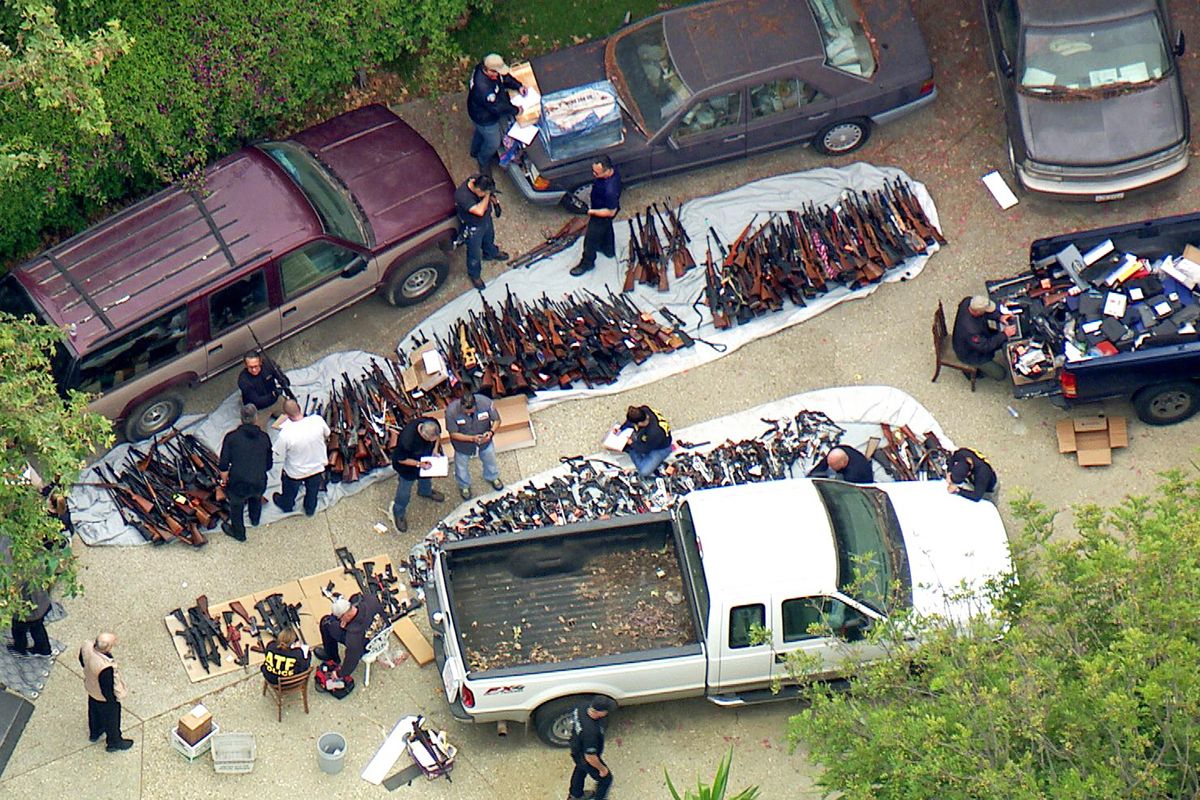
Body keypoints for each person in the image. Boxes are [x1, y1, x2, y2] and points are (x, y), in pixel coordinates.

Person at [217, 404, 273, 541]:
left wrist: (224, 482)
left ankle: (239, 533)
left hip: (238, 482)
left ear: (241, 418)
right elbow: (269, 465)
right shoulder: (264, 437)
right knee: (256, 498)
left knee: (236, 507)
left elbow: (223, 465)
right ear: (256, 418)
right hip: (259, 480)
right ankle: (255, 519)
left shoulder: (231, 438)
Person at [467, 53, 525, 176]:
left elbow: (504, 78)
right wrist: (515, 110)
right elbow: (497, 108)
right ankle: (483, 160)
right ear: (488, 71)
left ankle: (475, 150)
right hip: (485, 117)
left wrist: (518, 86)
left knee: (480, 133)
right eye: (496, 72)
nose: (499, 74)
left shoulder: (485, 70)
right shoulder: (484, 89)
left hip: (478, 111)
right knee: (493, 142)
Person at [272, 398, 330, 517]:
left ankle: (287, 505)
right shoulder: (317, 420)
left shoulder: (285, 434)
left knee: (289, 492)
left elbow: (278, 452)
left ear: (287, 415)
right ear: (299, 408)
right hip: (317, 466)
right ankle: (310, 509)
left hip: (295, 472)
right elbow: (327, 433)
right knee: (312, 491)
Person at [445, 391, 505, 500]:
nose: (468, 413)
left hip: (485, 442)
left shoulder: (486, 403)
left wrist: (491, 432)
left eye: (471, 411)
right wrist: (472, 439)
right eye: (465, 411)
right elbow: (453, 434)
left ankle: (492, 477)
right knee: (461, 467)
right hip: (463, 446)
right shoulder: (451, 412)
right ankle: (464, 486)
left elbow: (497, 420)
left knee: (490, 460)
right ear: (461, 405)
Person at [316, 594, 384, 688]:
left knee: (326, 622)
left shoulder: (353, 637)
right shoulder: (371, 600)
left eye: (340, 618)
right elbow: (359, 598)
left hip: (366, 645)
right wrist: (347, 622)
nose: (340, 620)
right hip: (381, 634)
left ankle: (332, 656)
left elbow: (352, 660)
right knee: (354, 597)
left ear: (346, 615)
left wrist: (339, 674)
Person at [79, 632, 133, 751]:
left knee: (94, 712)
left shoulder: (86, 647)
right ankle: (114, 742)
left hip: (91, 689)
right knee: (112, 720)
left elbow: (81, 660)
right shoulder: (104, 667)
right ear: (107, 648)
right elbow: (107, 689)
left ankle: (95, 732)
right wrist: (113, 701)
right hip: (103, 697)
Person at [455, 174, 510, 290]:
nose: (486, 195)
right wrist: (487, 195)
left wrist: (496, 204)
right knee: (474, 253)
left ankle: (491, 253)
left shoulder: (479, 179)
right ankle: (474, 275)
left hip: (486, 220)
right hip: (472, 226)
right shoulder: (462, 195)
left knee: (489, 238)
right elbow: (479, 211)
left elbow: (491, 194)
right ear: (478, 189)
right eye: (484, 193)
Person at [570, 156, 622, 277]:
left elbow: (611, 213)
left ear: (607, 170)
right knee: (607, 228)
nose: (593, 174)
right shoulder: (612, 173)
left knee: (590, 240)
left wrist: (590, 212)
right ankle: (608, 250)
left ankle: (587, 262)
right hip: (601, 207)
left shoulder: (610, 190)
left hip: (602, 213)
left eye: (597, 173)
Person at [390, 417, 445, 532]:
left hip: (425, 461)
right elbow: (401, 459)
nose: (432, 441)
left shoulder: (432, 425)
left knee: (426, 479)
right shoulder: (407, 440)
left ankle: (425, 492)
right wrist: (419, 464)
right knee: (404, 492)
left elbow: (437, 437)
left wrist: (435, 449)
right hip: (407, 468)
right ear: (423, 435)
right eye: (430, 440)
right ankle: (399, 512)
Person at [951, 295, 1016, 380]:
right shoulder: (971, 331)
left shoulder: (968, 302)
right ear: (978, 312)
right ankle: (977, 372)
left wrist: (999, 317)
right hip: (970, 354)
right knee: (1001, 375)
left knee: (1001, 339)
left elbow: (986, 313)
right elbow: (985, 347)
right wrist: (1004, 334)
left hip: (979, 337)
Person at [567, 695, 616, 800]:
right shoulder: (591, 732)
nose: (607, 713)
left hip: (576, 748)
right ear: (598, 712)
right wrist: (602, 769)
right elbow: (590, 757)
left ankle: (575, 795)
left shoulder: (582, 706)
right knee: (606, 779)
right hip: (586, 756)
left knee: (580, 769)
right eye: (606, 711)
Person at [618, 405, 673, 477]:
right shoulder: (644, 410)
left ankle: (631, 450)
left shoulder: (654, 433)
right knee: (634, 436)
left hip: (661, 448)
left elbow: (645, 449)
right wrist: (621, 429)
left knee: (644, 472)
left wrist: (631, 444)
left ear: (640, 423)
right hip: (650, 439)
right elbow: (630, 422)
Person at [237, 352, 290, 421]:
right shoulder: (243, 380)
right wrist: (273, 394)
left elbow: (284, 380)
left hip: (276, 400)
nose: (254, 370)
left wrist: (282, 385)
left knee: (293, 414)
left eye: (256, 366)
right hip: (258, 408)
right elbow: (257, 401)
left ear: (260, 362)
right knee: (256, 430)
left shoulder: (269, 365)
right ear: (245, 365)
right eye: (250, 367)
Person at [8, 583, 52, 657]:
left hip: (27, 610)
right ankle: (44, 650)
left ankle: (20, 649)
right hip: (40, 602)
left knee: (18, 629)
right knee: (37, 627)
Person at [807, 445, 874, 484]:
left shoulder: (853, 474)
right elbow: (824, 464)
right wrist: (813, 475)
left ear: (843, 463)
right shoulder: (836, 450)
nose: (830, 467)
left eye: (833, 466)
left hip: (862, 481)